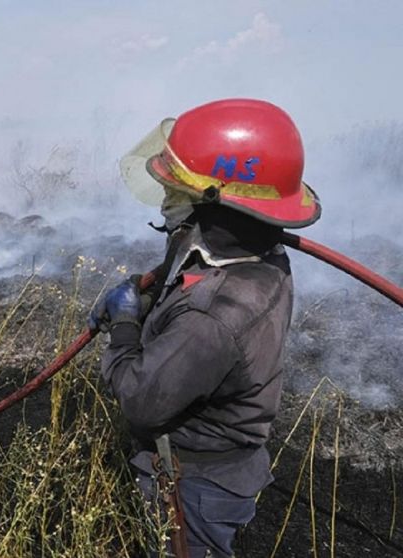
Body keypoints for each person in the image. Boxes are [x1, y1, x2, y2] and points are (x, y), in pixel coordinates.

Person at [89, 99, 322, 557]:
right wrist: (151, 297)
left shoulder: (213, 315)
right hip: (226, 473)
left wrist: (122, 326)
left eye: (177, 192)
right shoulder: (258, 259)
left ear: (215, 205)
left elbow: (141, 399)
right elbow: (193, 281)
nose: (167, 202)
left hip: (194, 486)